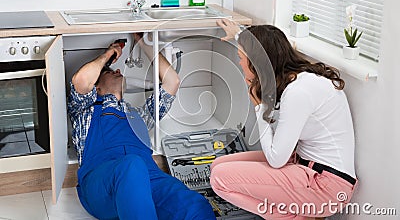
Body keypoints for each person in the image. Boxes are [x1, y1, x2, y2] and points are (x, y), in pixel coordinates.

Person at [210, 20, 358, 219]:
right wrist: (239, 34)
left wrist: (259, 107)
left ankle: (297, 217)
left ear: (256, 64)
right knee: (217, 166)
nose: (239, 63)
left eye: (240, 58)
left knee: (220, 179)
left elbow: (276, 159)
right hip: (305, 166)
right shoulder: (298, 77)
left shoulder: (298, 93)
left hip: (326, 187)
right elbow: (262, 51)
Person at [67, 33, 215, 220]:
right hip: (102, 182)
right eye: (109, 72)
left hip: (148, 177)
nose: (118, 71)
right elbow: (81, 79)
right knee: (132, 165)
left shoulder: (139, 115)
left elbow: (172, 81)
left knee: (195, 206)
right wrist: (108, 54)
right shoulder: (84, 110)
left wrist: (144, 42)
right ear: (96, 88)